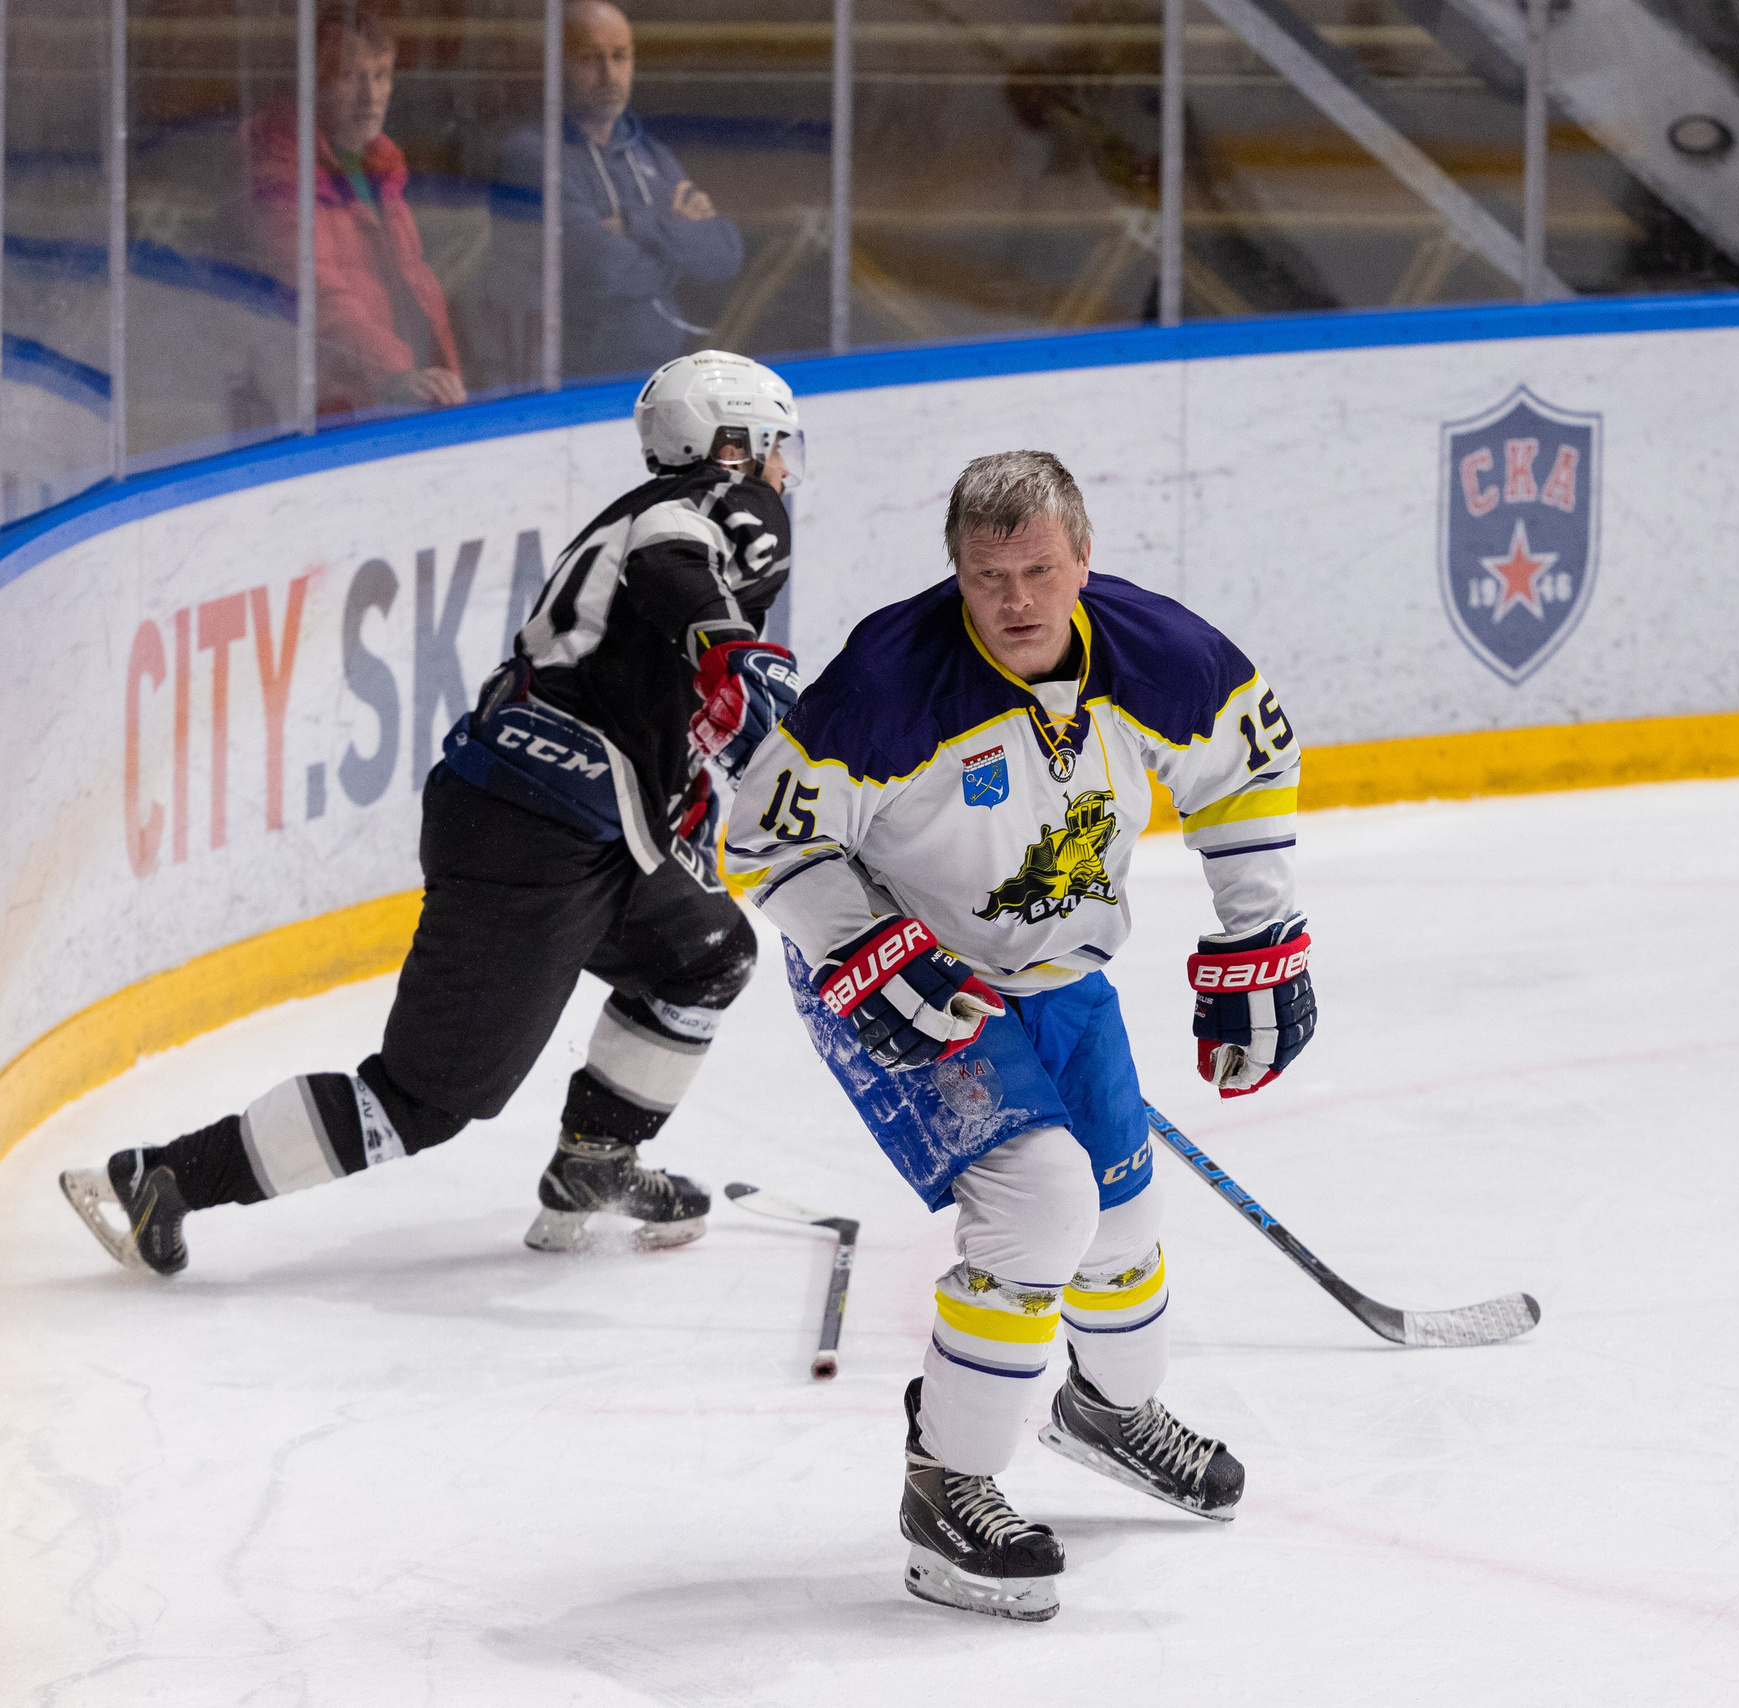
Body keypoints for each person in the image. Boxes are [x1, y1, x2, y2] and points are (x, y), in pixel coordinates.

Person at [724, 451, 1316, 1623]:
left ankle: (1105, 1409)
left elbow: (1246, 766)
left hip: (1056, 973)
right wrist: (860, 950)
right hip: (908, 976)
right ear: (956, 572)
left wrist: (1265, 936)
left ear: (1081, 560)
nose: (1016, 599)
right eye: (988, 574)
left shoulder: (1161, 655)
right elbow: (764, 841)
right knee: (1041, 1204)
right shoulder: (889, 685)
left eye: (1040, 568)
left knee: (1122, 1206)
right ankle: (948, 1484)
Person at [60, 351, 806, 1276]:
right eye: (776, 448)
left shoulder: (640, 518)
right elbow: (679, 557)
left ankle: (594, 1162)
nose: (785, 471)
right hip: (537, 827)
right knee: (418, 1101)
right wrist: (725, 642)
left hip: (571, 819)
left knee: (707, 951)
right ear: (735, 446)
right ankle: (161, 1179)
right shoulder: (700, 510)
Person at [490, 0, 743, 380]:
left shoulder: (649, 152)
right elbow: (602, 271)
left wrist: (630, 224)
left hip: (663, 377)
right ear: (558, 64)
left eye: (621, 57)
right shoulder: (532, 156)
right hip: (579, 381)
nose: (610, 75)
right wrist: (677, 238)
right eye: (590, 59)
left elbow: (726, 252)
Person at [246, 9, 465, 417]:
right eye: (350, 77)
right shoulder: (278, 167)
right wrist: (397, 374)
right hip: (324, 409)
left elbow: (419, 292)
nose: (372, 95)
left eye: (382, 76)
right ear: (309, 85)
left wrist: (445, 375)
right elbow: (316, 291)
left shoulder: (380, 165)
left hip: (395, 398)